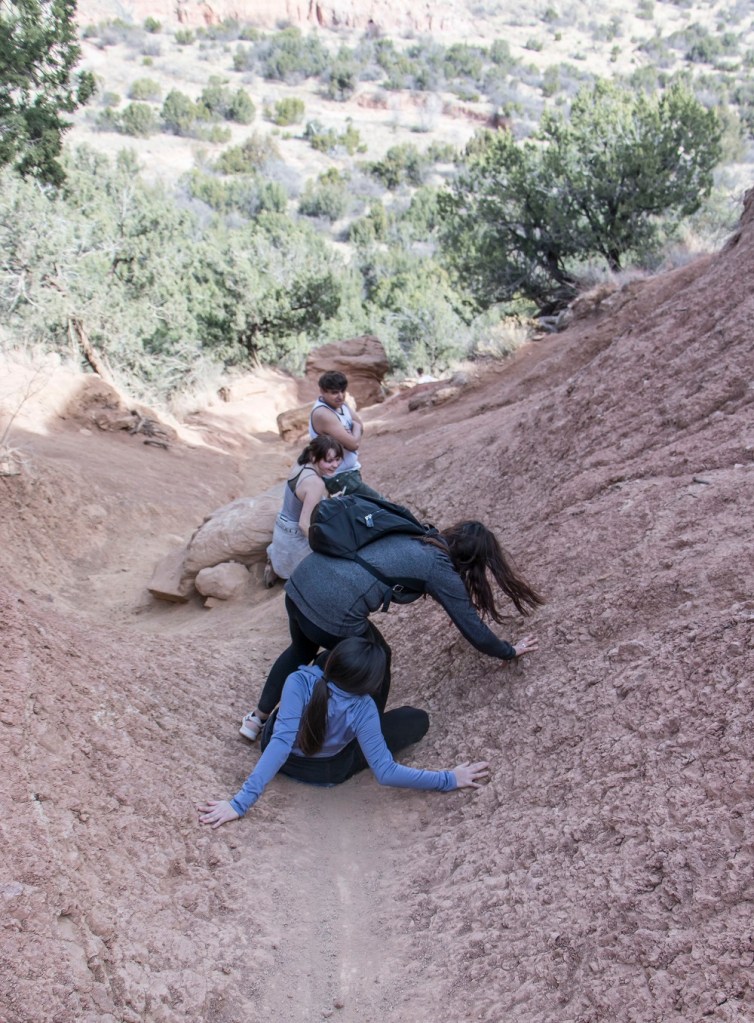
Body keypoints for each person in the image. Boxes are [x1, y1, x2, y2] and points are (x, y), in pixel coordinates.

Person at [240, 519, 543, 739]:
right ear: (473, 561)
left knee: (301, 649)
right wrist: (509, 651)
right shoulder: (438, 567)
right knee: (377, 656)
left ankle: (256, 720)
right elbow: (473, 629)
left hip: (303, 580)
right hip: (331, 608)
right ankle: (365, 735)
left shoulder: (418, 534)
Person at [200, 637, 490, 828]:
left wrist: (239, 803)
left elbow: (280, 743)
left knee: (284, 723)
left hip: (283, 758)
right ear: (369, 683)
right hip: (327, 772)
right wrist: (448, 779)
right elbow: (386, 772)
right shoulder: (364, 708)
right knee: (414, 719)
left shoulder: (298, 680)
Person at [262, 434, 344, 590]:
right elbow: (303, 524)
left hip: (281, 527)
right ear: (314, 457)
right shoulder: (315, 483)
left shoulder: (301, 464)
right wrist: (324, 547)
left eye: (337, 459)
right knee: (326, 566)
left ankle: (274, 564)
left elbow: (301, 496)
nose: (335, 465)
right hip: (295, 536)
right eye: (329, 460)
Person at [309, 370, 382, 499]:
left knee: (364, 510)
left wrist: (354, 431)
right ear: (322, 391)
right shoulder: (323, 414)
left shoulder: (342, 405)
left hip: (349, 473)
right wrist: (355, 431)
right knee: (384, 506)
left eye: (343, 391)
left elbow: (360, 425)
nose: (340, 396)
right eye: (334, 392)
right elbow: (353, 445)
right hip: (339, 477)